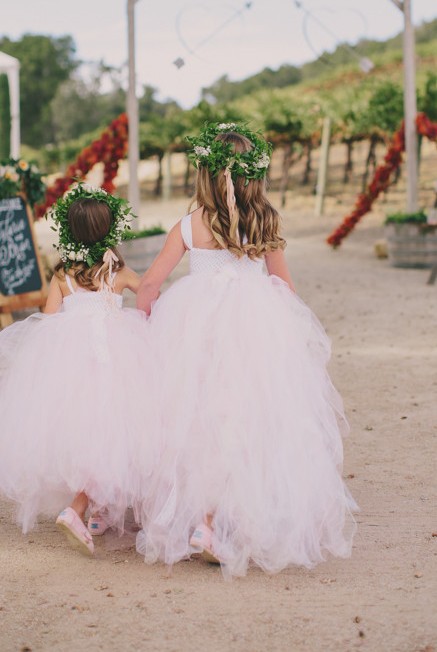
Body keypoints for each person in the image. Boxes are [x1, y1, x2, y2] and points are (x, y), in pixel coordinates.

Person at [135, 122, 357, 579]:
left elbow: (152, 283)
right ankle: (217, 522)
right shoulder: (265, 220)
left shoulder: (188, 224)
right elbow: (284, 286)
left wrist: (149, 323)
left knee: (197, 417)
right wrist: (288, 334)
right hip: (254, 330)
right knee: (246, 417)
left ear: (204, 174)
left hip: (195, 329)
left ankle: (204, 520)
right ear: (253, 176)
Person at [0, 182, 151, 556]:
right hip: (115, 364)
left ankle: (98, 510)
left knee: (84, 433)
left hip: (73, 366)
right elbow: (148, 297)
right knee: (111, 433)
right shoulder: (119, 273)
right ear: (110, 231)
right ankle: (78, 509)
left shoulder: (62, 275)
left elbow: (47, 321)